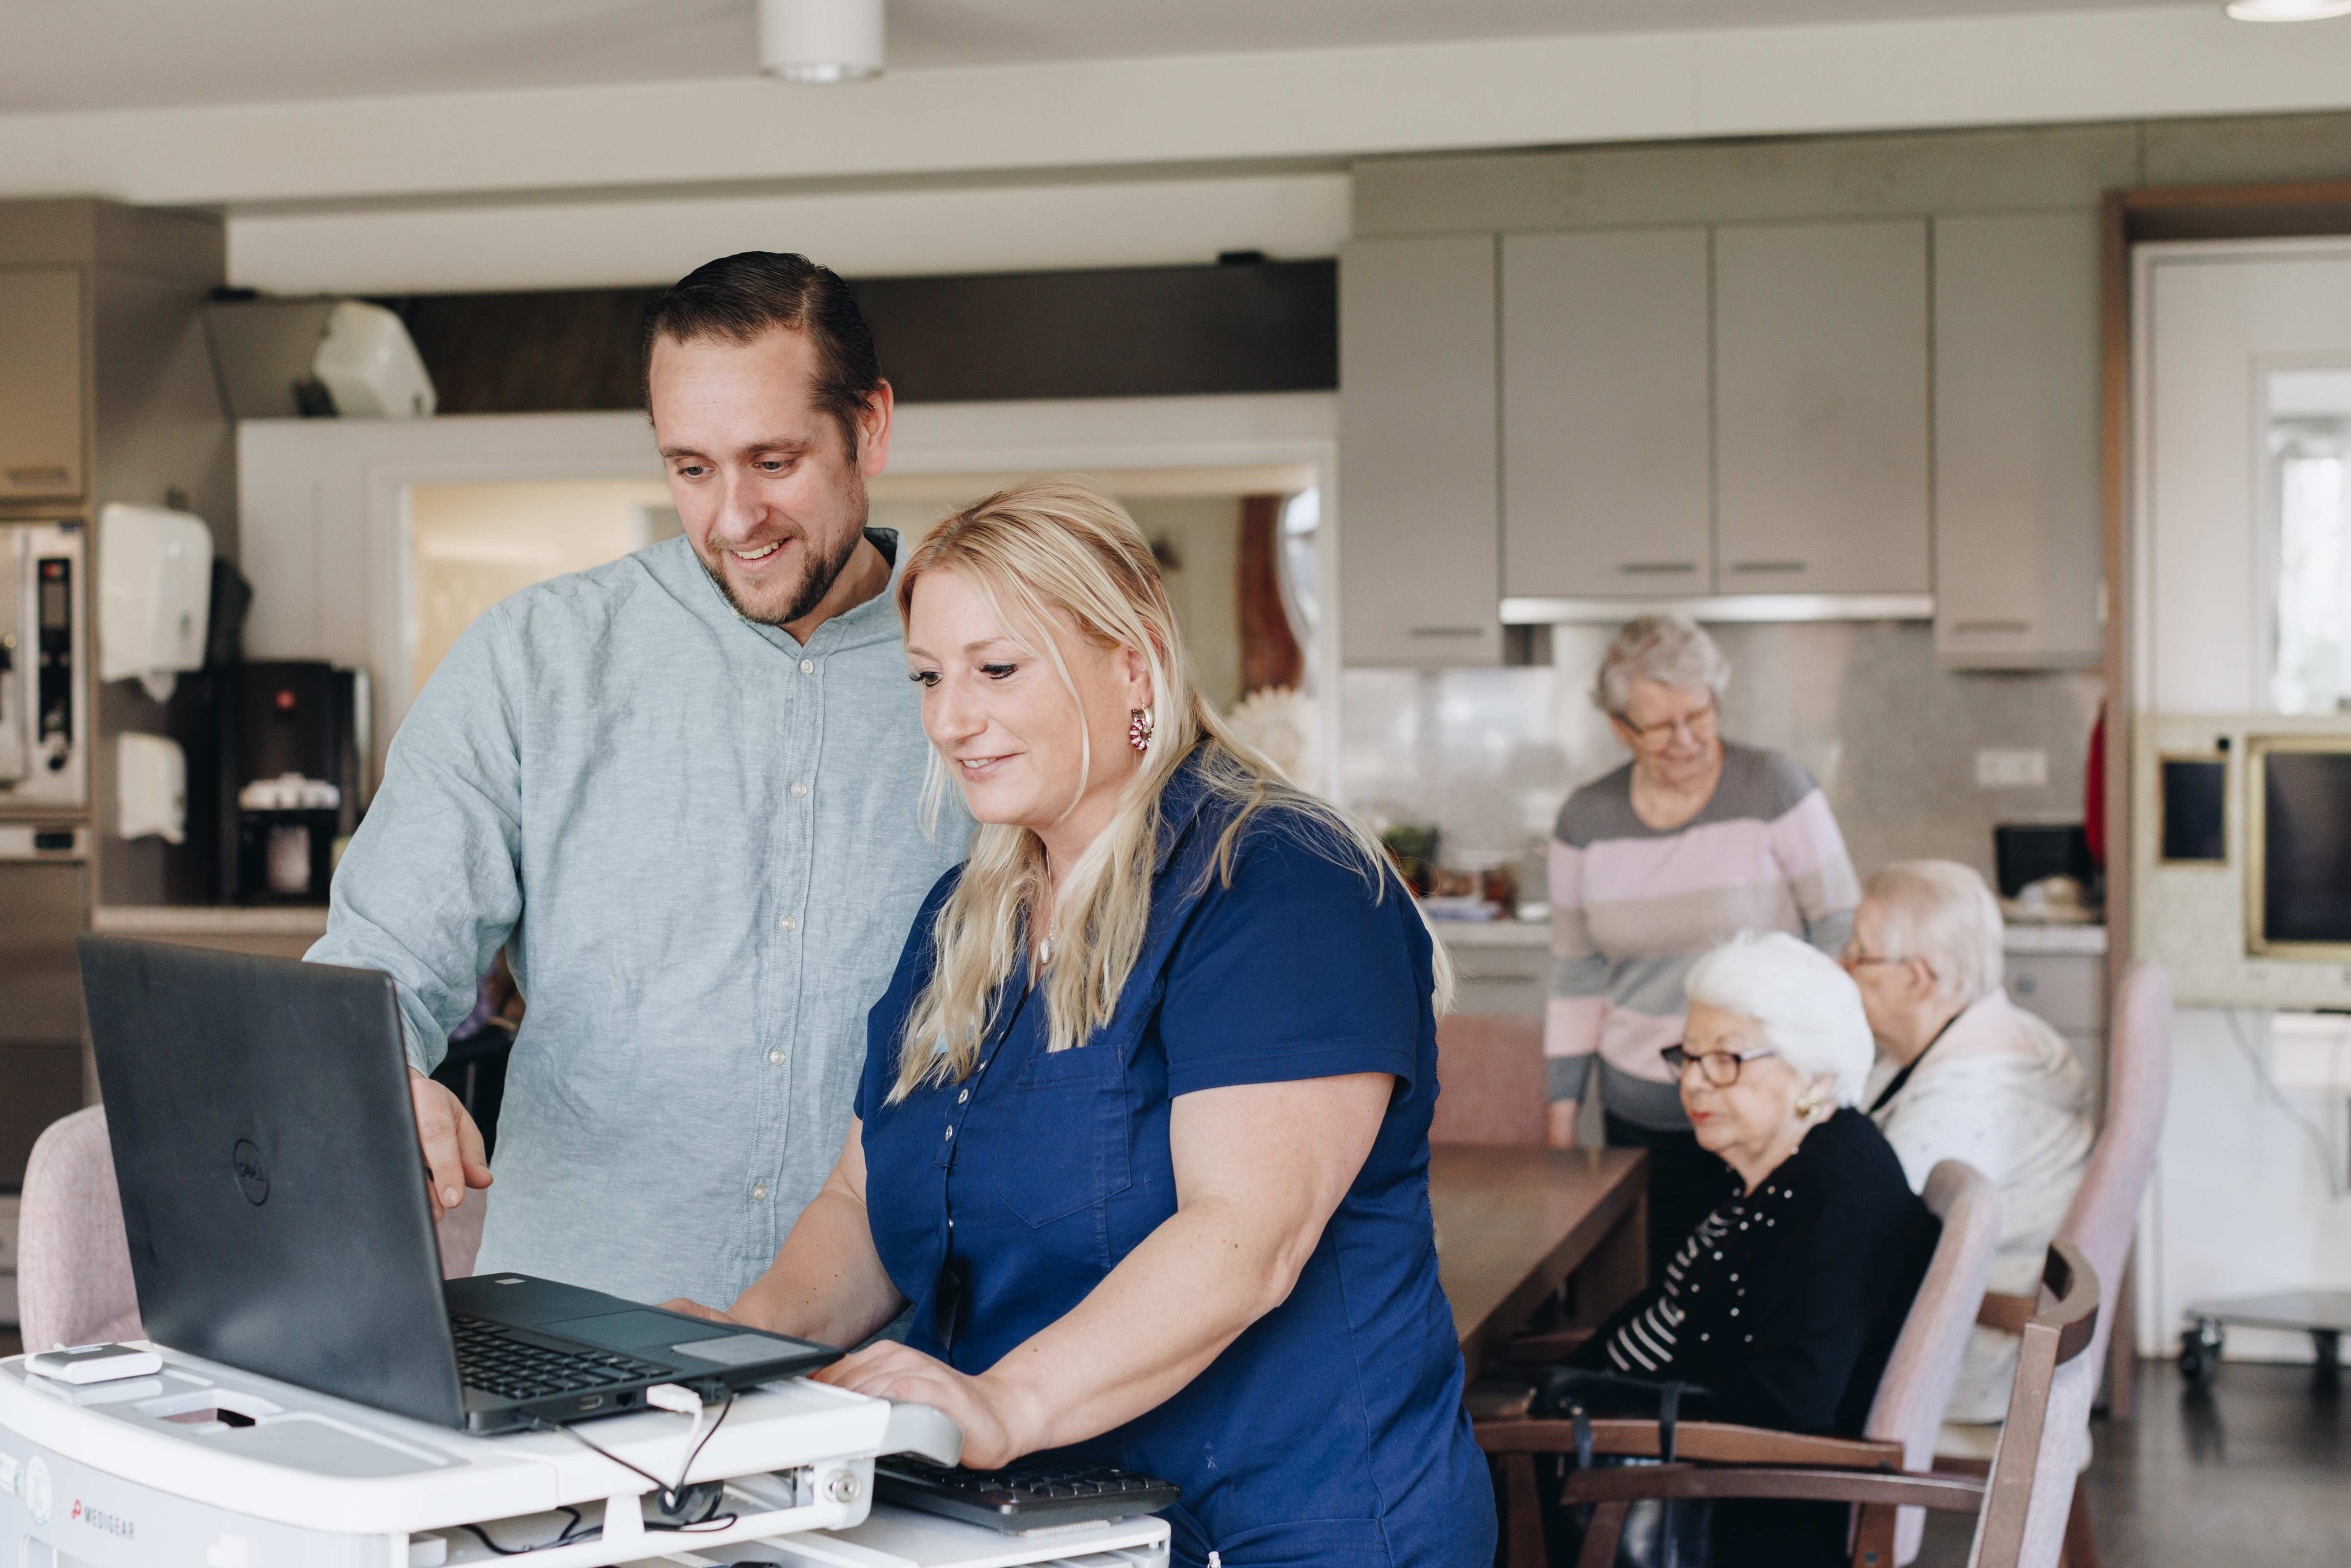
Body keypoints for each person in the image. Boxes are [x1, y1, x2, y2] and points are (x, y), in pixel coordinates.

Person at [666, 480, 1494, 1568]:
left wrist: (1000, 1402)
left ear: (1133, 665)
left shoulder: (1281, 882)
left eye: (997, 668)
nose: (951, 718)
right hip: (1049, 1528)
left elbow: (1248, 1237)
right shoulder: (968, 916)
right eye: (928, 676)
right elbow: (866, 1196)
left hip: (1287, 1528)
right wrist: (742, 1349)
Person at [308, 252, 970, 1307]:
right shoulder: (539, 656)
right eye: (692, 468)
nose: (734, 517)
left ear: (872, 426)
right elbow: (375, 960)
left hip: (900, 1359)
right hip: (581, 1335)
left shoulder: (982, 672)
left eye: (774, 460)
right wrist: (373, 1070)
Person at [1569, 931, 1937, 1568]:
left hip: (1713, 1502)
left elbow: (1788, 1404)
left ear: (1816, 1076)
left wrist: (1581, 1409)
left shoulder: (1831, 1197)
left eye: (1727, 1059)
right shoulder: (1781, 1167)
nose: (1696, 1083)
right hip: (1648, 1458)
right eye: (1689, 1056)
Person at [1546, 615, 1861, 1277]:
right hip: (1639, 1115)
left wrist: (1815, 1061)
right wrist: (1560, 1117)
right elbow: (1577, 974)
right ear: (1619, 726)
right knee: (1661, 1292)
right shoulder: (1585, 820)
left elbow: (1838, 925)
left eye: (1700, 714)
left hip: (1766, 1109)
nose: (1686, 740)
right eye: (1660, 725)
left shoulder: (1774, 786)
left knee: (1766, 1288)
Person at [1845, 860, 2094, 1424]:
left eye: (1858, 954)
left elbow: (1857, 1260)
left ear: (1917, 977)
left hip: (1964, 1359)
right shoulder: (2024, 1036)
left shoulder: (1954, 1112)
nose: (1844, 967)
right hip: (1985, 1331)